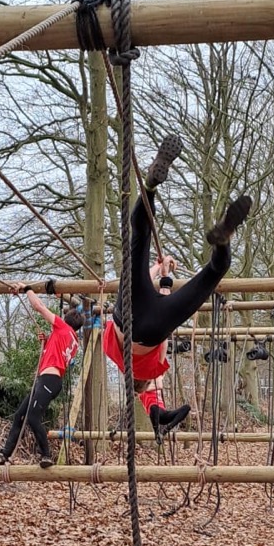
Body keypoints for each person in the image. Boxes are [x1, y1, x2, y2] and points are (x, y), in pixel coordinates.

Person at [104, 133, 252, 438]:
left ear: (144, 384)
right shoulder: (114, 355)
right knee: (140, 240)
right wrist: (161, 270)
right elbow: (144, 282)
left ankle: (223, 241)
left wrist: (166, 281)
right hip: (124, 314)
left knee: (213, 274)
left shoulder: (151, 370)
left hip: (153, 327)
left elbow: (163, 329)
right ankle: (149, 188)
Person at [0, 291, 85, 467]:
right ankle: (5, 454)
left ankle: (46, 455)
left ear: (65, 320)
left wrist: (27, 289)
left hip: (49, 379)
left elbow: (39, 306)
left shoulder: (62, 328)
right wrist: (47, 341)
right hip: (48, 380)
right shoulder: (73, 339)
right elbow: (54, 353)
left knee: (33, 417)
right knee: (20, 415)